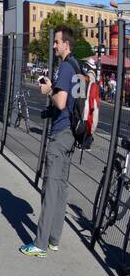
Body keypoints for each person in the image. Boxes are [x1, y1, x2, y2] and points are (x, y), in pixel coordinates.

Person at [22, 27, 80, 257]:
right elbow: (75, 101)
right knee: (61, 187)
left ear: (66, 44)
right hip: (72, 133)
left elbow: (62, 102)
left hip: (61, 133)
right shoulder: (78, 66)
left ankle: (40, 244)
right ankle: (54, 238)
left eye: (56, 42)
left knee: (51, 189)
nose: (54, 45)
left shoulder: (66, 67)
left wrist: (48, 90)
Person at [85, 63, 102, 137]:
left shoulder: (89, 76)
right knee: (92, 120)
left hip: (89, 99)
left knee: (88, 119)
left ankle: (85, 142)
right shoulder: (94, 76)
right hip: (93, 100)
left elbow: (87, 91)